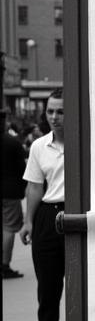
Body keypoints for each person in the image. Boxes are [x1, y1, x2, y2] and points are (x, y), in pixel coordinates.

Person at [21, 91, 65, 321]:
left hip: (77, 215)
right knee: (47, 292)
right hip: (48, 219)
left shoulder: (85, 141)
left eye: (59, 111)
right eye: (50, 111)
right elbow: (35, 187)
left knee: (83, 290)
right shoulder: (39, 146)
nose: (53, 117)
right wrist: (28, 222)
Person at [2, 112, 27, 278]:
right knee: (9, 229)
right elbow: (22, 169)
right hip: (9, 192)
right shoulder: (13, 143)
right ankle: (5, 265)